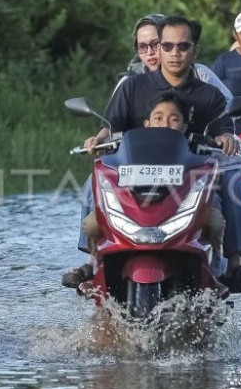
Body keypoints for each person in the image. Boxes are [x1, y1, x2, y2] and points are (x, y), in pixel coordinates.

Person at [75, 15, 241, 292]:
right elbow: (110, 128)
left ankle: (233, 266)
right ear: (159, 48)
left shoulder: (210, 95)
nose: (175, 53)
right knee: (94, 180)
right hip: (134, 175)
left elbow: (224, 128)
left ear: (194, 51)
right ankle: (91, 264)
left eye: (183, 47)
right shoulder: (131, 87)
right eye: (168, 46)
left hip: (191, 177)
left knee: (234, 182)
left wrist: (225, 138)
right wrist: (97, 140)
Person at [71, 91, 230, 297]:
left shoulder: (193, 154)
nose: (165, 124)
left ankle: (215, 274)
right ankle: (93, 268)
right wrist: (98, 141)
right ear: (146, 124)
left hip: (178, 211)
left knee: (216, 220)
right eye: (158, 118)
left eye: (173, 120)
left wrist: (222, 141)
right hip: (137, 212)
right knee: (92, 222)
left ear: (183, 127)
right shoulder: (130, 153)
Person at [123, 14, 234, 107]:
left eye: (156, 44)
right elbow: (110, 125)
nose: (149, 52)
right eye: (142, 46)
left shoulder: (199, 74)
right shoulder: (129, 82)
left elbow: (228, 107)